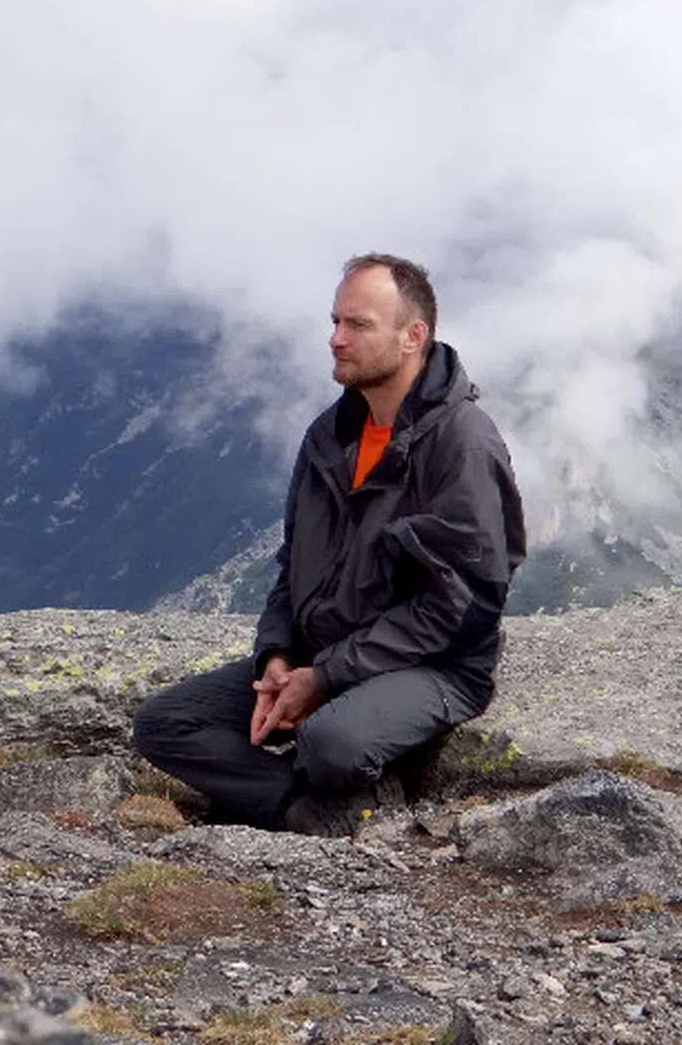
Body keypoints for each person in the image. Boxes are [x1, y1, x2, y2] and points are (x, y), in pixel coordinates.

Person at [133, 253, 526, 836]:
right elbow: (295, 566)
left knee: (331, 744)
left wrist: (326, 679)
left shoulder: (461, 444)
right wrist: (277, 658)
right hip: (322, 658)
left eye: (357, 325)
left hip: (435, 668)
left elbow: (462, 605)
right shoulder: (330, 437)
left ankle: (327, 784)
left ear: (413, 336)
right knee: (165, 723)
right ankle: (307, 809)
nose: (335, 339)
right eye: (336, 321)